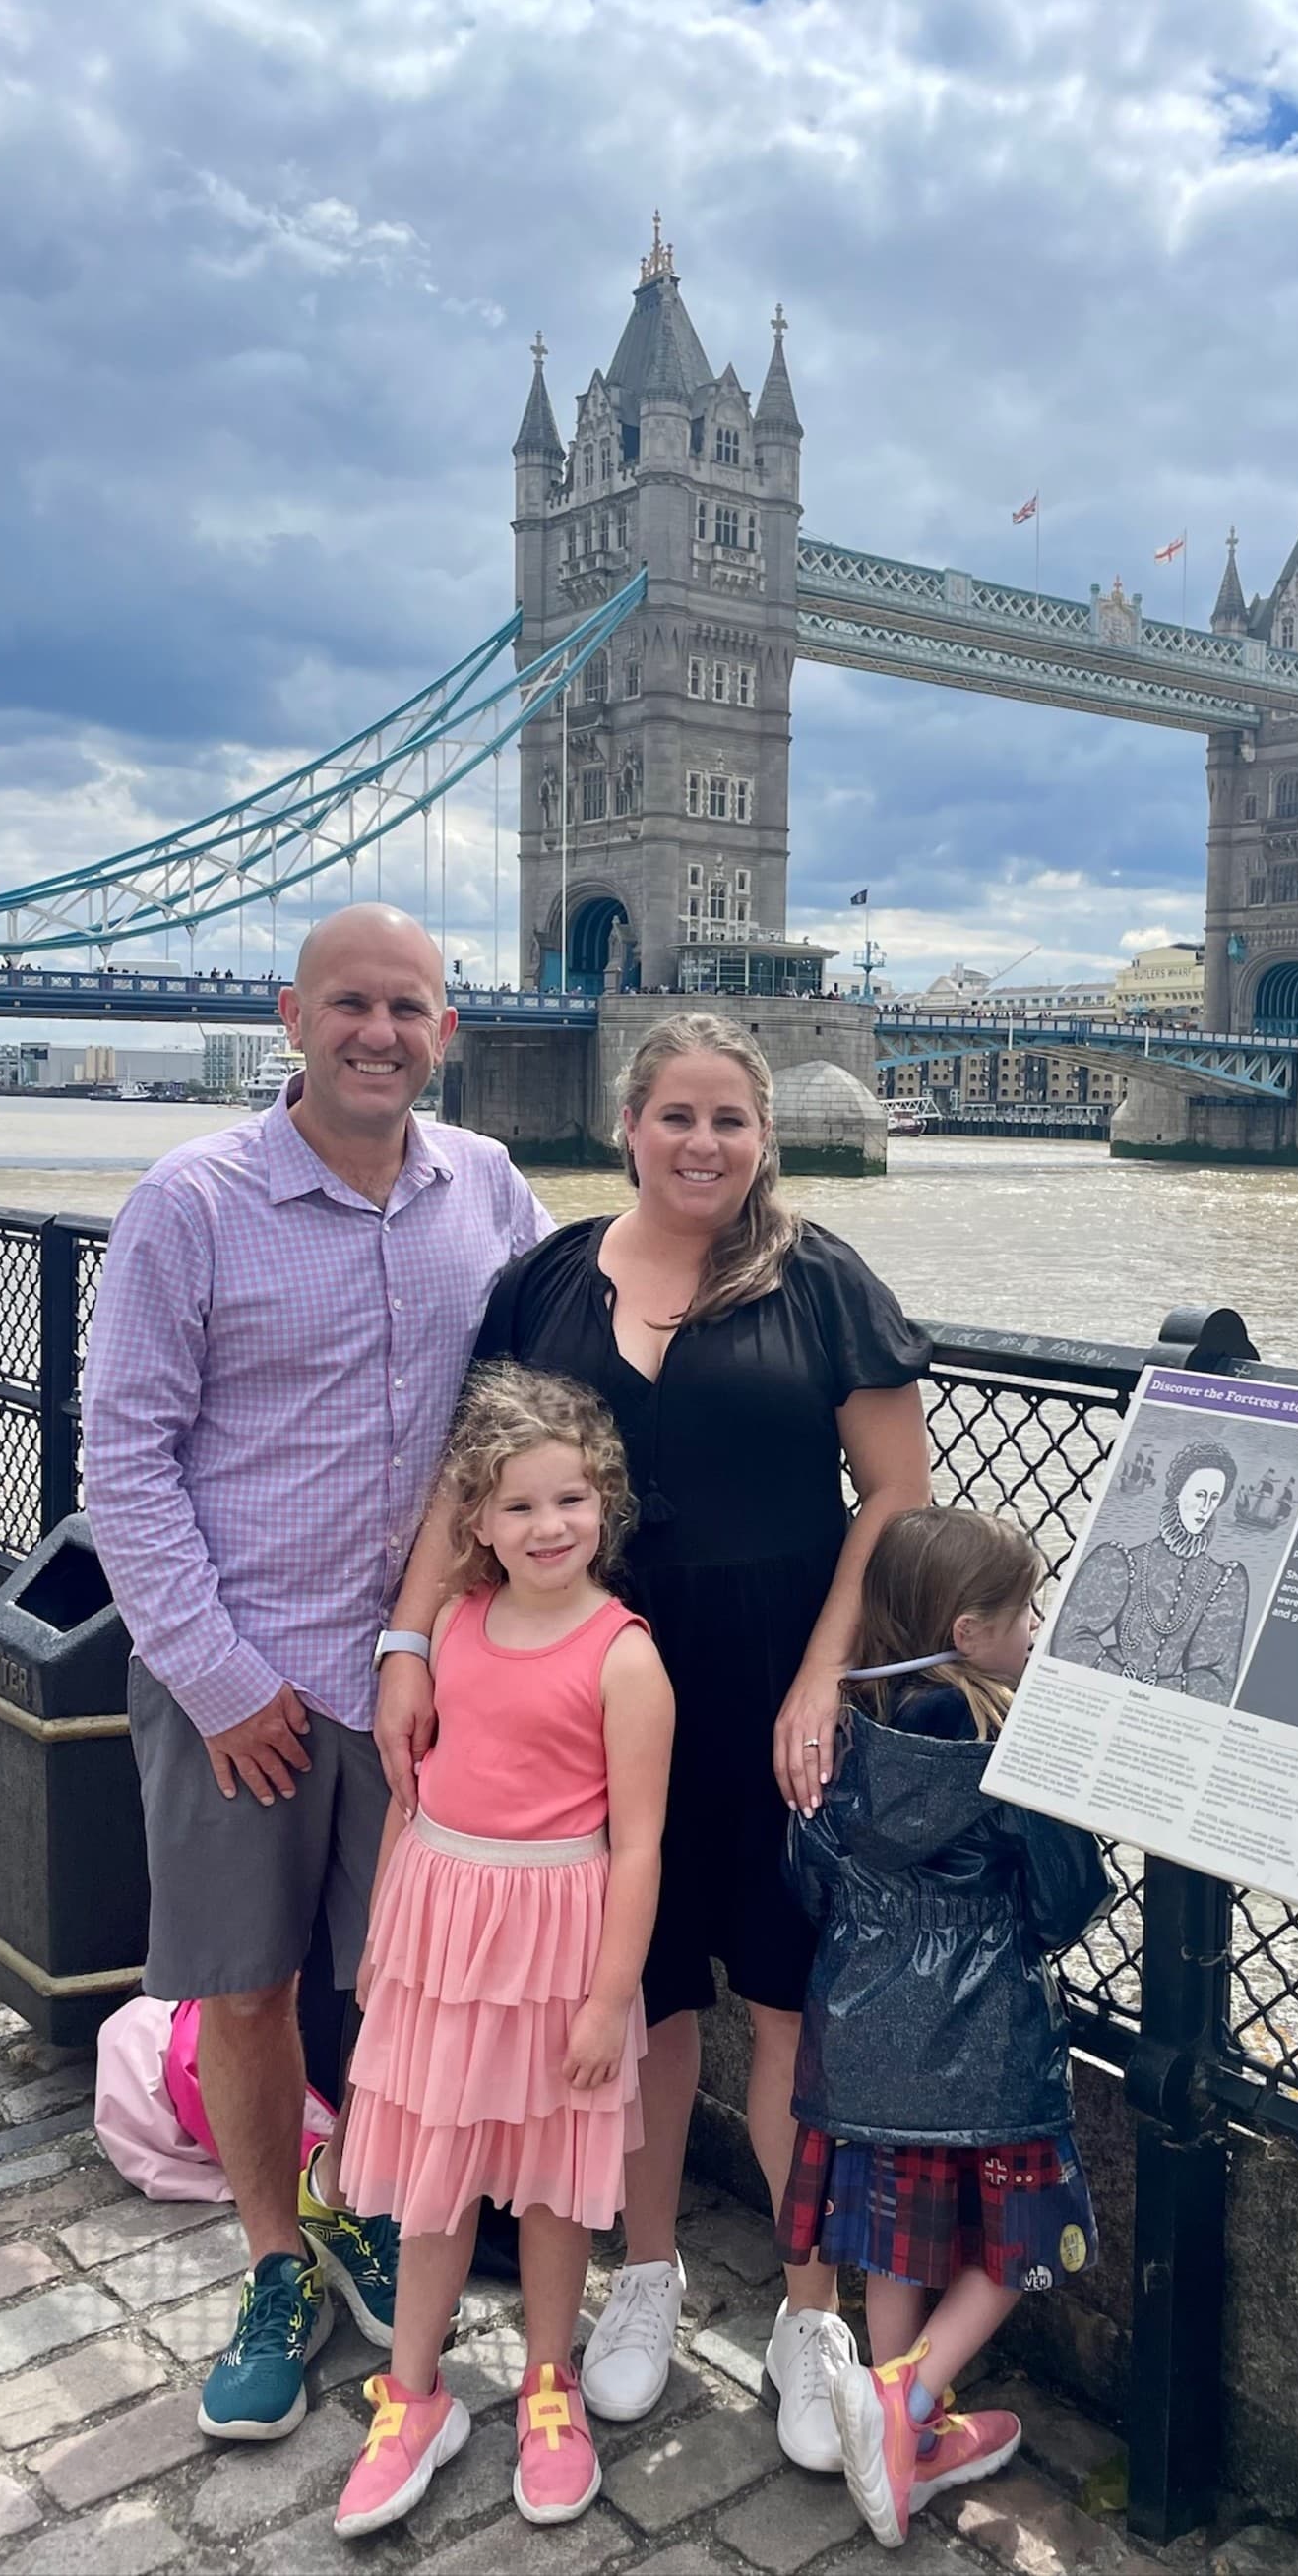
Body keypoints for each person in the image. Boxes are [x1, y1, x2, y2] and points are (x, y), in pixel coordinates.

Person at [374, 1011, 932, 2472]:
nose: (703, 1144)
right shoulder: (545, 1282)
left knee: (790, 2003)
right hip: (582, 1696)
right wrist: (409, 1638)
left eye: (730, 1120)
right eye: (677, 1115)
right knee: (638, 2005)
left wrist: (825, 1678)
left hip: (770, 1692)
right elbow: (467, 1477)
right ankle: (645, 2268)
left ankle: (810, 2309)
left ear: (766, 1136)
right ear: (630, 1124)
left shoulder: (821, 1283)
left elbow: (895, 1499)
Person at [82, 904, 552, 2444]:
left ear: (448, 1030)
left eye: (408, 1007)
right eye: (350, 1003)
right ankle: (277, 2259)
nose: (379, 1032)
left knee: (407, 1982)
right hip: (245, 1675)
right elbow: (125, 1459)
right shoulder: (190, 1200)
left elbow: (555, 1393)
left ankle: (366, 2210)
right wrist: (215, 1676)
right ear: (293, 1016)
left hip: (434, 1674)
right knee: (252, 1980)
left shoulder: (488, 1185)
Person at [333, 1367, 673, 2537]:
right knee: (429, 2174)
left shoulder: (624, 1657)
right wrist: (383, 1934)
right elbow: (409, 1792)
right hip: (439, 1928)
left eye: (571, 1501)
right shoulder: (450, 1633)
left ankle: (546, 2383)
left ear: (605, 1506)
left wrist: (607, 1998)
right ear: (474, 1520)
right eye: (520, 1507)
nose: (548, 1528)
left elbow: (637, 1850)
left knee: (549, 2183)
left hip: (557, 1946)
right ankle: (413, 2394)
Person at [776, 1506, 1108, 2548]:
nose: (1035, 1629)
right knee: (1026, 2239)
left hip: (862, 2042)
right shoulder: (1015, 1746)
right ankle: (907, 2401)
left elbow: (805, 1877)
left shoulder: (838, 1732)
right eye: (1024, 1613)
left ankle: (895, 2413)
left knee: (891, 2235)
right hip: (985, 2042)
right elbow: (1065, 1901)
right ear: (967, 1632)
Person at [1050, 1441, 1250, 1703]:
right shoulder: (1120, 1561)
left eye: (1214, 1498)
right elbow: (1069, 1643)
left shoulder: (1223, 1582)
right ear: (1178, 1493)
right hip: (1098, 1696)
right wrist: (1119, 1677)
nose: (1205, 1508)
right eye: (1199, 1494)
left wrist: (1155, 1693)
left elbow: (1217, 1682)